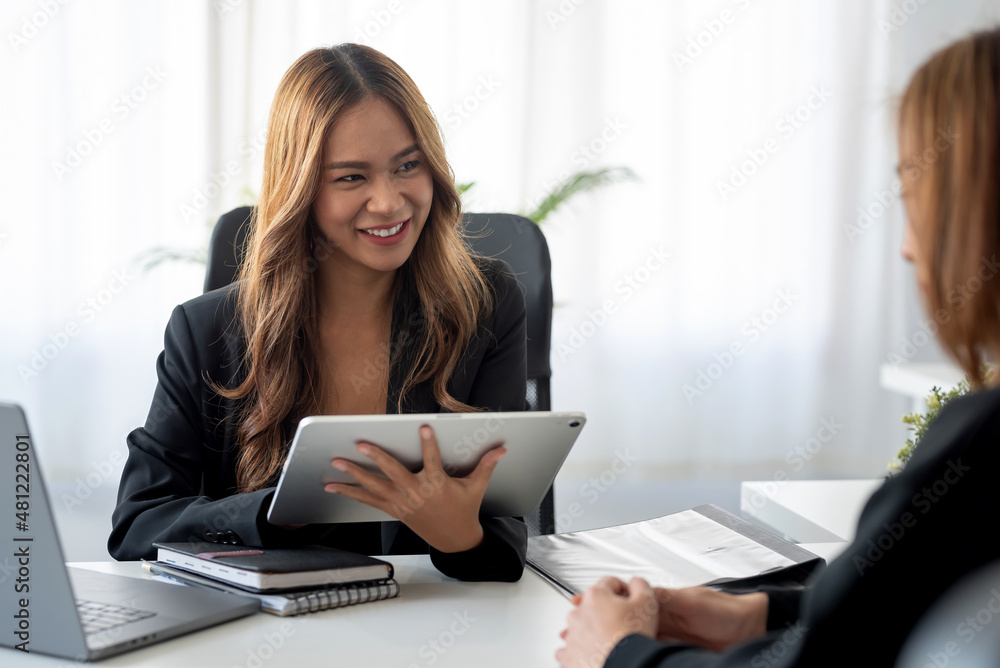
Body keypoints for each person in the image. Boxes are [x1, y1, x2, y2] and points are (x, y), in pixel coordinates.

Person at [557, 27, 1000, 667]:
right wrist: (756, 613)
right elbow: (879, 619)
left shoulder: (979, 446)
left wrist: (618, 654)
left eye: (914, 199)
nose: (907, 246)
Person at [108, 44, 528, 583]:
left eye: (407, 165)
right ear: (301, 188)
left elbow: (503, 550)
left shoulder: (485, 304)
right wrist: (268, 515)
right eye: (351, 177)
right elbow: (137, 527)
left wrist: (457, 533)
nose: (388, 202)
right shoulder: (206, 331)